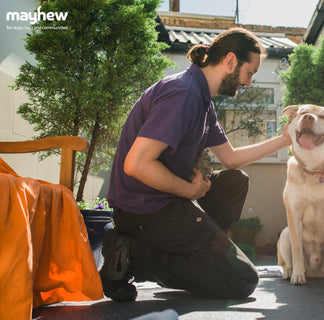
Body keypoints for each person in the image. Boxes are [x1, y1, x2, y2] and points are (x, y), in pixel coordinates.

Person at [101, 27, 292, 302]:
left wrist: (284, 140)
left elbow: (231, 158)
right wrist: (188, 191)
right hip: (143, 211)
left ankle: (201, 251)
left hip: (168, 202)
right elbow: (137, 164)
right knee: (242, 279)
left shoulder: (202, 100)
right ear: (230, 61)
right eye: (249, 73)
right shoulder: (183, 94)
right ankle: (133, 255)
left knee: (235, 180)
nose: (248, 83)